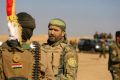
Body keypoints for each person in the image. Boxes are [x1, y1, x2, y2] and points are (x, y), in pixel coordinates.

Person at [0, 12, 53, 80]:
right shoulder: (3, 50)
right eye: (28, 29)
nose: (29, 32)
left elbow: (49, 77)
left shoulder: (38, 51)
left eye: (31, 29)